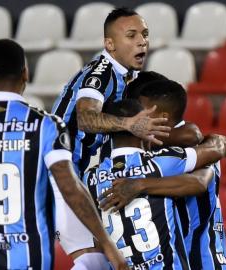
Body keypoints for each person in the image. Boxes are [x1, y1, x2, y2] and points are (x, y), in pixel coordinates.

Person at [0, 39, 128, 270]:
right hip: (27, 261)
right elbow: (70, 189)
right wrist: (108, 244)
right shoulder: (45, 125)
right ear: (25, 74)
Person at [50, 7, 172, 268]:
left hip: (73, 176)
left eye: (145, 34)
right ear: (110, 44)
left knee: (101, 258)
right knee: (95, 261)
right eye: (131, 35)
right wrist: (130, 124)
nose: (142, 41)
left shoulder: (128, 76)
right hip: (57, 175)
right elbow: (85, 117)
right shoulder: (101, 72)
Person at [83, 99, 226, 269]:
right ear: (142, 126)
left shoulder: (89, 179)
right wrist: (220, 141)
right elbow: (211, 156)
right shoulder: (160, 163)